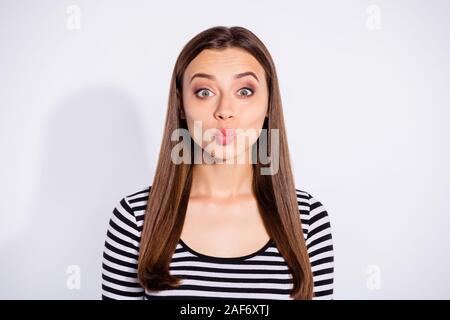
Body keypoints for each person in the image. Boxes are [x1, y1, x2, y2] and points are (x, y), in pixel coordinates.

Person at [101, 26, 334, 300]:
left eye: (244, 91)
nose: (225, 111)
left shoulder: (307, 219)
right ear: (180, 106)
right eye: (204, 92)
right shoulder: (135, 218)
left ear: (269, 103)